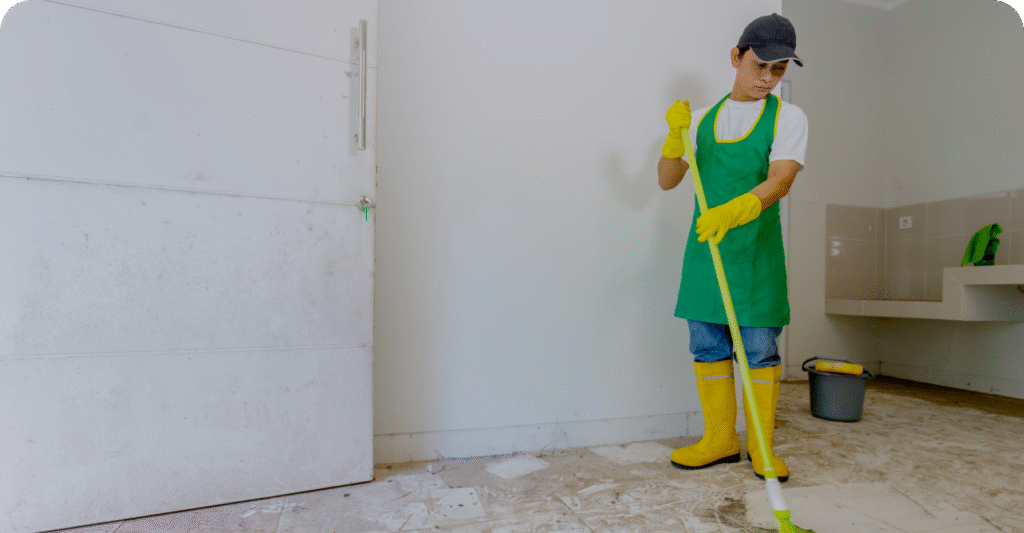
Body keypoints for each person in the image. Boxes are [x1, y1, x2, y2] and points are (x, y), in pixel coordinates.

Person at [657, 13, 808, 482]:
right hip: (707, 253)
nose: (768, 78)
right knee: (707, 347)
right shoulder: (701, 120)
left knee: (759, 351)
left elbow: (781, 179)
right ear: (735, 57)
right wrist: (673, 139)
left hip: (756, 255)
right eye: (760, 65)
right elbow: (666, 181)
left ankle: (762, 447)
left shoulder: (788, 116)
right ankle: (720, 439)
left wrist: (735, 211)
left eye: (779, 69)